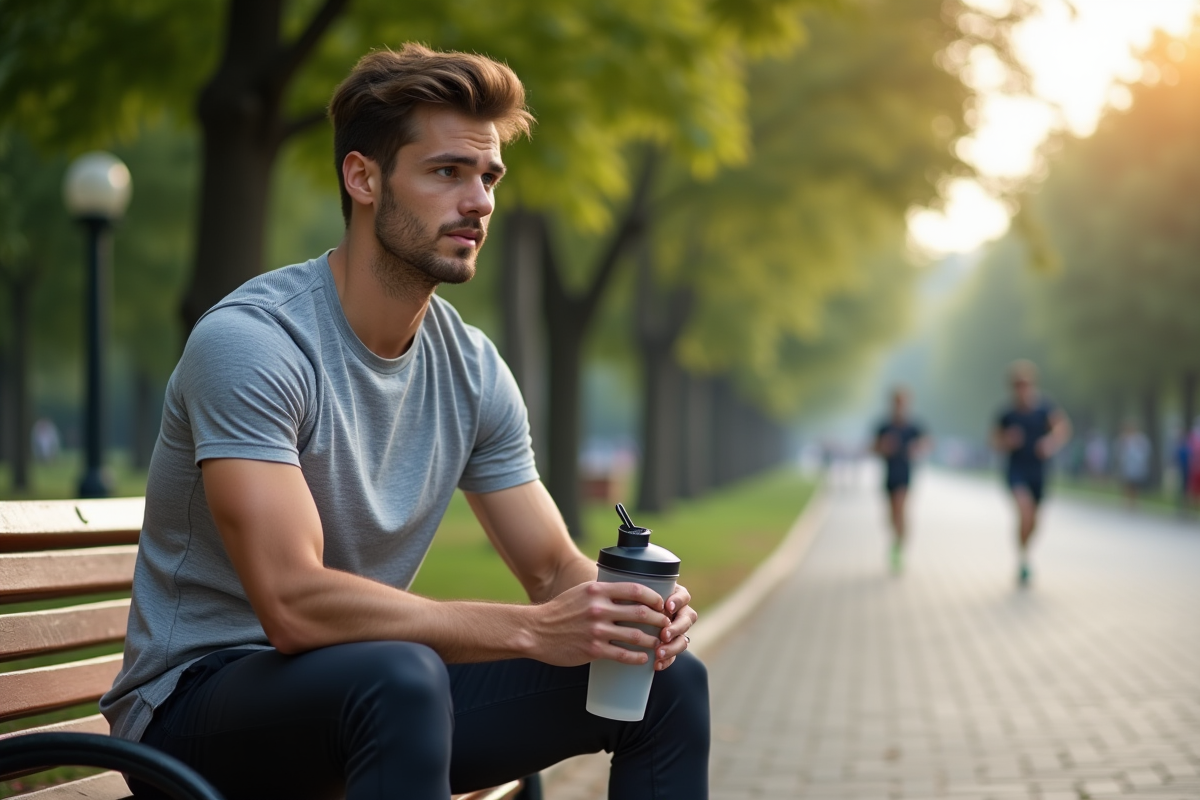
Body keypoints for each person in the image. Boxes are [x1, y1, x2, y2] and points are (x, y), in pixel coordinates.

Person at [100, 45, 707, 800]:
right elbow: (290, 603)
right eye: (447, 172)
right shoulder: (254, 344)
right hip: (195, 717)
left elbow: (552, 569)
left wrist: (631, 617)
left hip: (377, 694)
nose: (480, 201)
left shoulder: (471, 367)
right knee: (400, 675)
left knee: (666, 682)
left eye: (487, 177)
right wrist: (529, 630)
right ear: (363, 178)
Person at [991, 360, 1071, 586]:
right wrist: (1007, 441)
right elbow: (994, 441)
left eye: (1026, 384)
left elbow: (1062, 428)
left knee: (1034, 521)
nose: (1022, 388)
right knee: (1024, 511)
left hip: (1039, 471)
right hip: (1016, 470)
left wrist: (1050, 442)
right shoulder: (1006, 413)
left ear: (1033, 385)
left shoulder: (1045, 408)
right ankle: (1023, 560)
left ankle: (1025, 554)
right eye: (1017, 385)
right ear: (1012, 388)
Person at [871, 387, 928, 573]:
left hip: (905, 475)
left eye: (902, 402)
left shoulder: (912, 426)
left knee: (900, 508)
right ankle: (896, 540)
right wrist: (883, 447)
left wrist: (917, 447)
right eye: (896, 402)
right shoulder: (884, 426)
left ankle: (899, 548)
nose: (899, 406)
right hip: (889, 475)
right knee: (891, 515)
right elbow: (873, 448)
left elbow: (926, 443)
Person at [1115, 420, 1151, 508]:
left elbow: (1145, 451)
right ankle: (1128, 501)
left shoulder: (1140, 439)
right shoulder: (1124, 439)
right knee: (1127, 483)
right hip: (1127, 466)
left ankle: (1134, 501)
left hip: (1137, 466)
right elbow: (1119, 452)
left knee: (1135, 484)